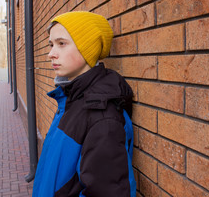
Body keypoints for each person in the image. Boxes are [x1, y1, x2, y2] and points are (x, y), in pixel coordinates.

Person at [32, 11, 136, 197]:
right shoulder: (71, 99)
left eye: (61, 44)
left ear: (87, 48)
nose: (51, 54)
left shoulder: (102, 117)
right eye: (51, 44)